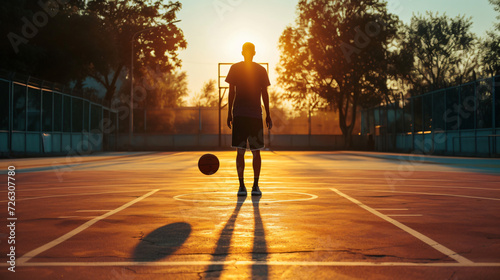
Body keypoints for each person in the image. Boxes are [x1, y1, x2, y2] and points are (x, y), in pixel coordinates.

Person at [226, 42, 272, 196]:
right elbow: (231, 92)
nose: (248, 53)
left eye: (249, 51)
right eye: (247, 51)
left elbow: (265, 93)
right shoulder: (235, 68)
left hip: (254, 115)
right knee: (241, 152)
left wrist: (268, 114)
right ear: (243, 53)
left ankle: (255, 185)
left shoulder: (260, 70)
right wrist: (229, 113)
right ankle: (242, 186)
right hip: (240, 114)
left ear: (253, 53)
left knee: (255, 152)